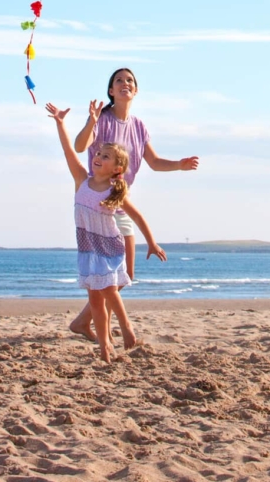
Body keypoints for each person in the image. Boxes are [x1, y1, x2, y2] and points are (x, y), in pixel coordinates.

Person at [68, 67, 199, 341]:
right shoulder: (102, 119)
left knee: (125, 273)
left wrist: (179, 166)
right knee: (109, 276)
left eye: (130, 80)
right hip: (98, 200)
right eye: (119, 80)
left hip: (120, 199)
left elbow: (153, 162)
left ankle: (82, 322)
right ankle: (114, 328)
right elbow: (80, 147)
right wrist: (91, 122)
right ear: (111, 91)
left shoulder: (139, 126)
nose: (124, 83)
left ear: (136, 91)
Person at [45, 102, 167, 363]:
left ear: (116, 169)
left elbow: (137, 217)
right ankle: (103, 347)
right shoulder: (81, 179)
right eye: (98, 153)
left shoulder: (114, 191)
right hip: (88, 249)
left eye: (105, 156)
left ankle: (127, 331)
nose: (98, 157)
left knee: (110, 291)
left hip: (109, 248)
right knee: (95, 300)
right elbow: (69, 151)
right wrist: (60, 123)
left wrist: (152, 244)